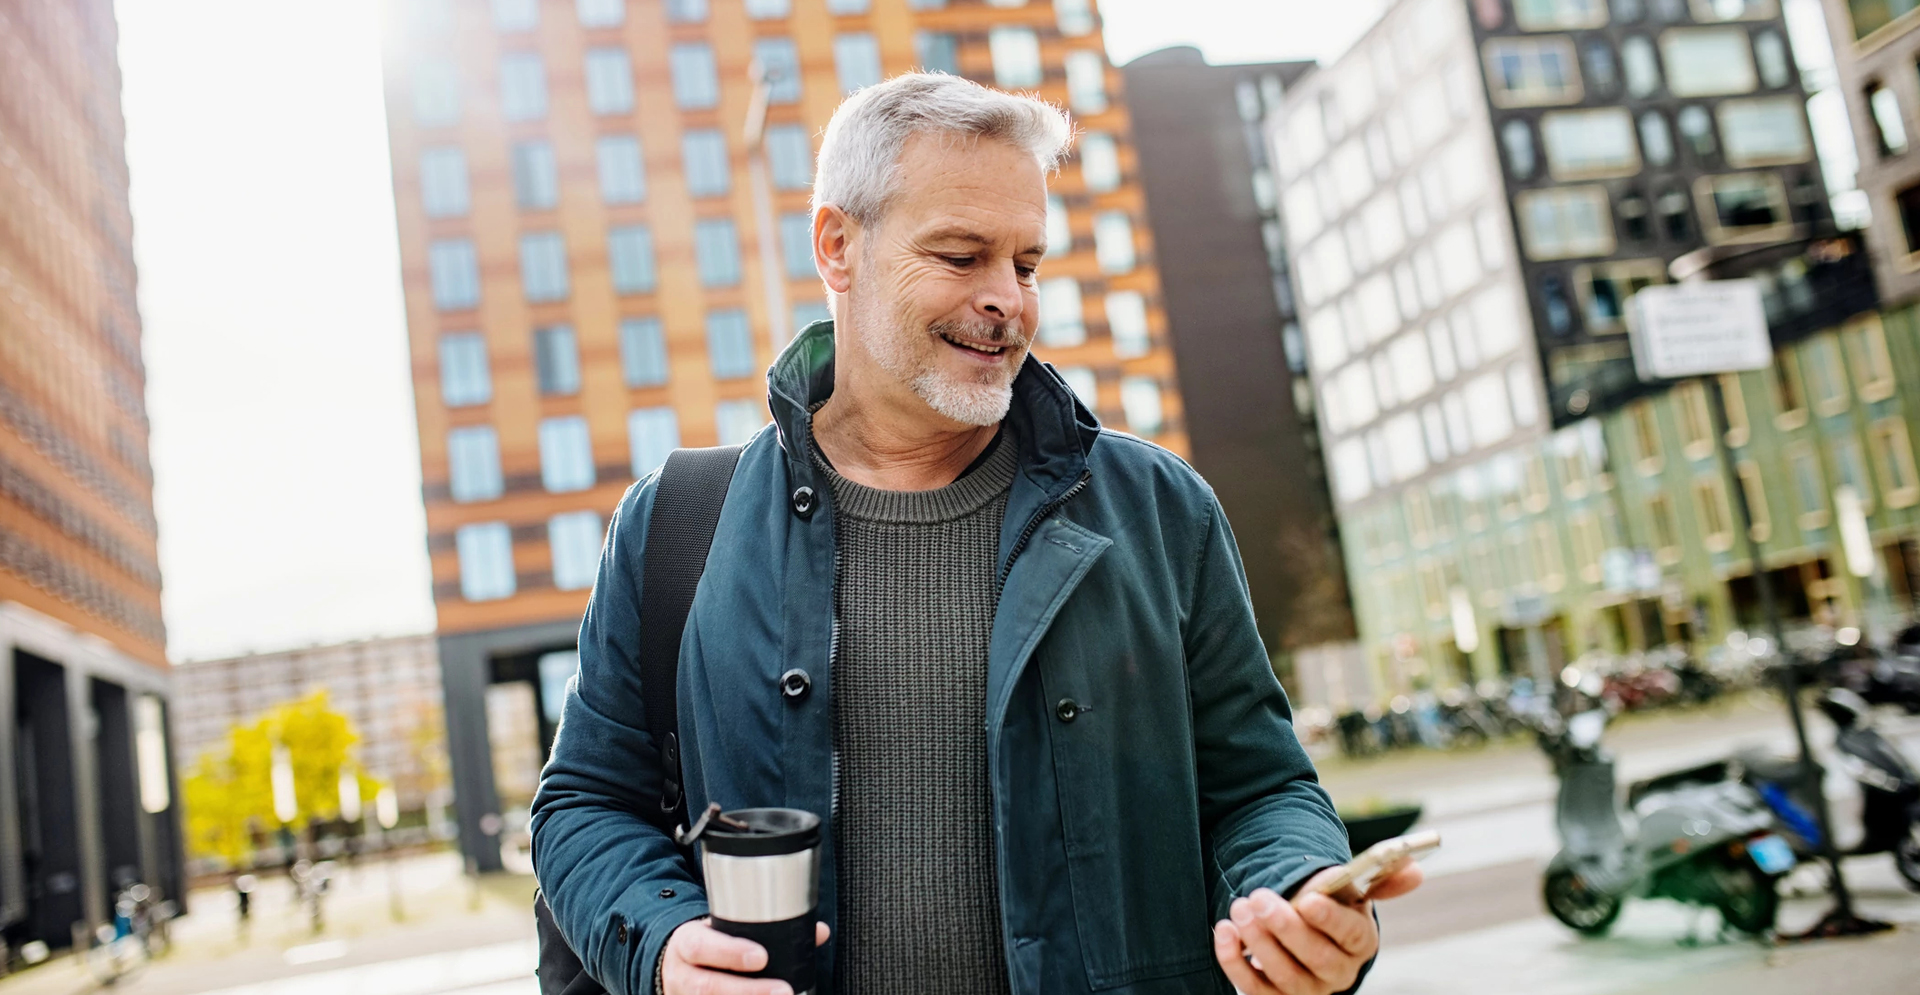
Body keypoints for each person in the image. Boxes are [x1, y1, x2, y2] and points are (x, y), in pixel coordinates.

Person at [531, 72, 1421, 995]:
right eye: (961, 256)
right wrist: (665, 944)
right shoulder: (675, 524)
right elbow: (585, 804)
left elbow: (1261, 788)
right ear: (838, 246)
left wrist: (1299, 890)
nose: (1009, 300)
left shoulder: (1161, 509)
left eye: (1027, 263)